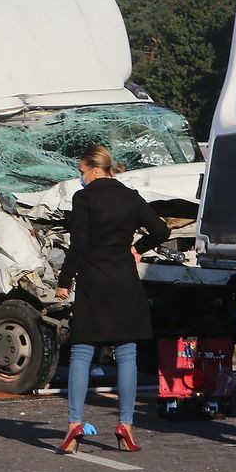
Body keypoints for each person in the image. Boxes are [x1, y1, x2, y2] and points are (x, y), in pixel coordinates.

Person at [54, 145, 171, 454]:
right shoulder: (130, 196)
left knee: (81, 353)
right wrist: (139, 247)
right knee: (128, 353)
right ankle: (126, 425)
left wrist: (65, 280)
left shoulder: (84, 198)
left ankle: (74, 424)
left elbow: (78, 245)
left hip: (94, 280)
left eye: (81, 172)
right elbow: (161, 229)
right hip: (124, 282)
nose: (80, 178)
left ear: (93, 169)